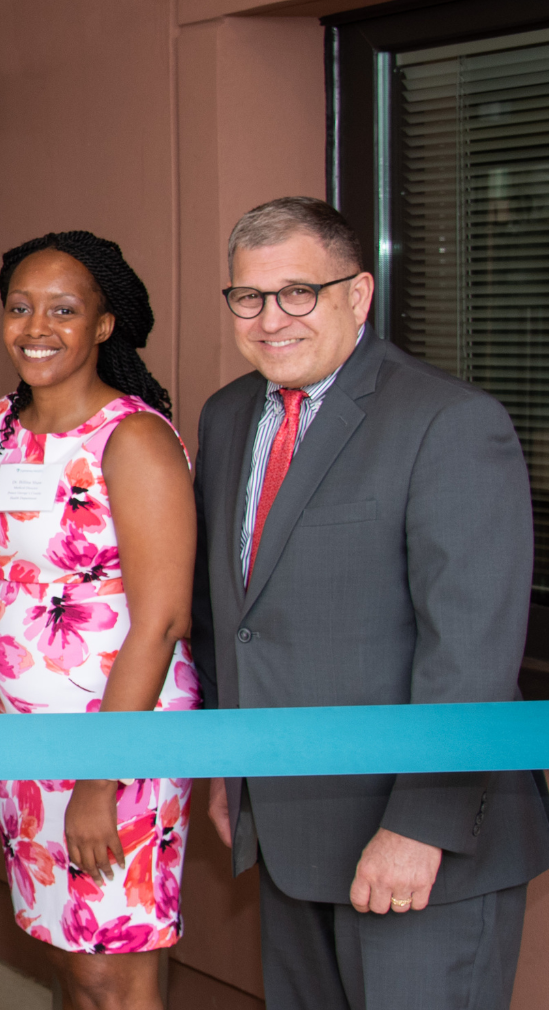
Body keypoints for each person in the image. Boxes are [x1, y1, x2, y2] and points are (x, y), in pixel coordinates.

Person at [192, 196, 549, 1010]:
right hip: (285, 824)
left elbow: (472, 649)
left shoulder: (449, 422)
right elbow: (229, 618)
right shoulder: (227, 415)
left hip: (418, 843)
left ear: (358, 295)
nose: (269, 319)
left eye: (297, 293)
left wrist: (421, 825)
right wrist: (231, 764)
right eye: (248, 296)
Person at [0, 232, 198, 1009]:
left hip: (119, 741)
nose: (36, 327)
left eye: (63, 310)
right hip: (26, 740)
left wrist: (102, 776)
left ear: (103, 324)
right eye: (20, 307)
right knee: (65, 950)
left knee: (113, 966)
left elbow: (161, 622)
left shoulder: (135, 439)